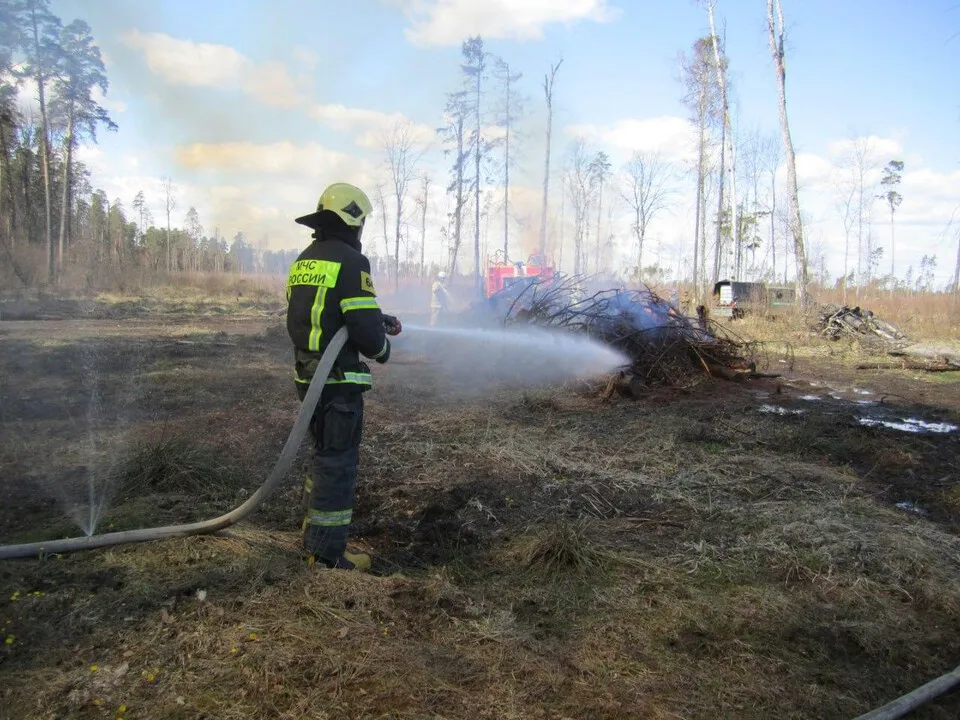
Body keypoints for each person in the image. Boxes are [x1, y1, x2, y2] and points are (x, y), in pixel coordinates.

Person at [286, 182, 402, 571]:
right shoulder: (353, 263)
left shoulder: (306, 259)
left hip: (309, 377)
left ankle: (312, 536)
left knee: (322, 456)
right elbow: (369, 339)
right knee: (338, 463)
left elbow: (329, 313)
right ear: (354, 221)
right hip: (336, 383)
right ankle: (327, 555)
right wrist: (383, 347)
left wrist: (374, 317)